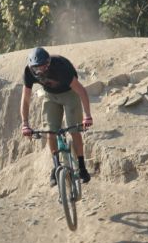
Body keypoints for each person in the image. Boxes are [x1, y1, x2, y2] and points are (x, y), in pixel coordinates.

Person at [20, 46, 93, 186]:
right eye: (36, 68)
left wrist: (87, 116)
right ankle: (56, 165)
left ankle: (82, 167)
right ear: (31, 67)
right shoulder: (28, 72)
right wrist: (25, 123)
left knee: (74, 130)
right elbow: (26, 98)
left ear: (48, 64)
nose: (39, 71)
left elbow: (81, 91)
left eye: (42, 67)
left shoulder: (60, 67)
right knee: (50, 131)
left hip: (70, 94)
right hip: (50, 96)